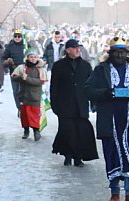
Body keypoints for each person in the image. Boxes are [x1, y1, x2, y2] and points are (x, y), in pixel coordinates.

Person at [85, 37, 129, 201]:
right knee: (112, 153)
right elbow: (88, 90)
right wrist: (106, 93)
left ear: (128, 53)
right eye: (116, 52)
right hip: (109, 119)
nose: (119, 55)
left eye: (122, 52)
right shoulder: (100, 70)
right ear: (110, 54)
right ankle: (114, 192)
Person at [50, 39, 99, 167]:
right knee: (67, 131)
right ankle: (68, 155)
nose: (78, 50)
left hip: (81, 104)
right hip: (65, 104)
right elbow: (54, 87)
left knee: (80, 131)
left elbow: (91, 85)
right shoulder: (59, 66)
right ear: (68, 50)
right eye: (75, 48)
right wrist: (54, 104)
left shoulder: (85, 66)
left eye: (79, 48)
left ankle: (78, 157)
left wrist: (93, 101)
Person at [11, 49, 48, 140]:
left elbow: (40, 81)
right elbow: (14, 76)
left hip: (35, 96)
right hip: (23, 95)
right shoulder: (22, 67)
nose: (33, 59)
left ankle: (36, 131)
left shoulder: (41, 69)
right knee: (24, 115)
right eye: (31, 57)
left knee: (34, 115)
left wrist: (27, 79)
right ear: (27, 58)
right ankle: (26, 130)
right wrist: (21, 77)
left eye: (35, 57)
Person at [3, 29, 26, 109]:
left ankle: (25, 108)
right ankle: (19, 108)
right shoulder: (10, 46)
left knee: (26, 91)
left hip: (26, 72)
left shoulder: (26, 45)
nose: (17, 38)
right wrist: (8, 62)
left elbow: (33, 55)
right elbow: (3, 58)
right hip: (14, 72)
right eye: (15, 36)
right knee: (16, 91)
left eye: (19, 36)